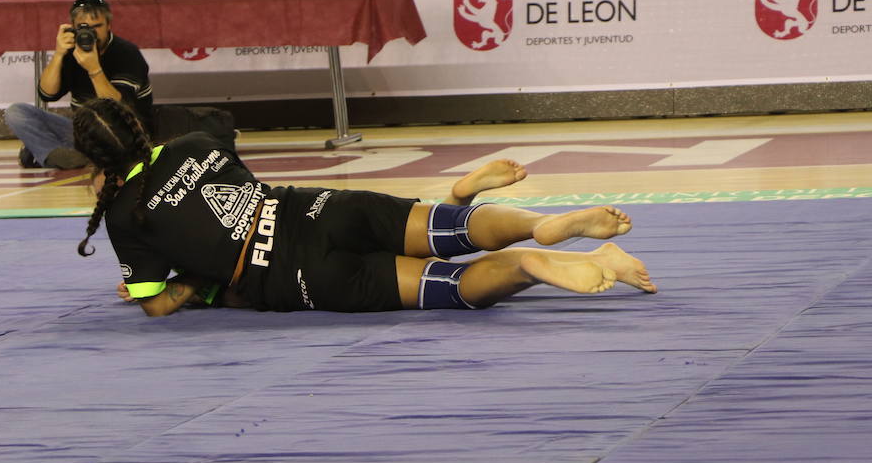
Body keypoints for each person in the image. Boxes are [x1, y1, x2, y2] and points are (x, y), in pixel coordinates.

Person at [71, 98, 657, 317]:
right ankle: (535, 224)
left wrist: (188, 284)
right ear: (135, 124)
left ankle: (529, 265)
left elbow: (156, 304)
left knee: (449, 286)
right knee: (444, 226)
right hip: (318, 209)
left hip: (295, 274)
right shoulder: (195, 144)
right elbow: (233, 198)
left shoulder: (125, 215)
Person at [5, 0, 153, 170]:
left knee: (115, 137)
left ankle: (49, 153)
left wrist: (94, 69)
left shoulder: (127, 52)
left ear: (109, 26)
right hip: (85, 132)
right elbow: (46, 93)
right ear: (73, 28)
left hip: (126, 134)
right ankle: (58, 155)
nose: (91, 34)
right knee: (16, 112)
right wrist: (59, 54)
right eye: (84, 28)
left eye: (97, 26)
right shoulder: (71, 51)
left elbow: (117, 109)